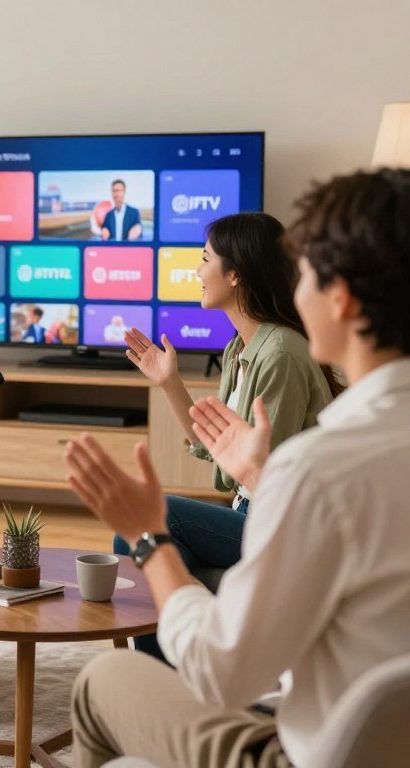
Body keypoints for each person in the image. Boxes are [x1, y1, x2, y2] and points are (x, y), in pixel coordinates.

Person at [65, 168, 410, 768]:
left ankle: (168, 692)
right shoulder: (250, 364)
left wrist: (148, 538)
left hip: (310, 753)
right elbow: (220, 454)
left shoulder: (317, 462)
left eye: (305, 271)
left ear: (342, 298)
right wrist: (253, 470)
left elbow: (222, 670)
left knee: (102, 679)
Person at [115, 214, 336, 623]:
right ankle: (191, 648)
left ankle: (180, 650)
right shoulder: (240, 347)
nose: (197, 272)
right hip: (246, 511)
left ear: (235, 275)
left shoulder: (281, 354)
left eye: (205, 259)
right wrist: (169, 382)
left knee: (150, 525)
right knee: (156, 546)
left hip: (281, 524)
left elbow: (265, 474)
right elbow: (215, 446)